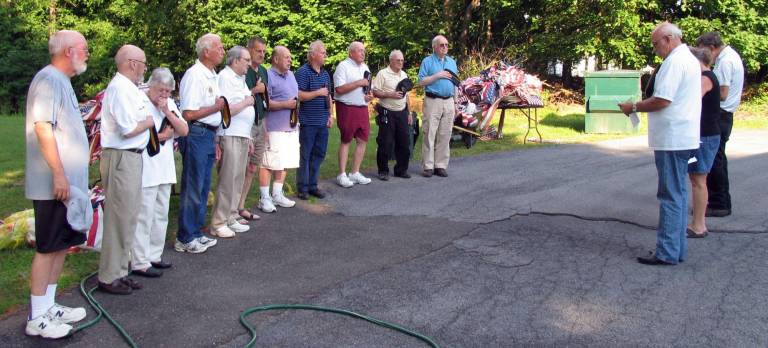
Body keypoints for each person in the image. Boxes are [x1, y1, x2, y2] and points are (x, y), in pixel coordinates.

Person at [24, 29, 89, 338]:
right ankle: (37, 317)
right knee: (49, 246)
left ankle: (49, 306)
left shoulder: (62, 81)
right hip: (54, 183)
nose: (87, 53)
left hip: (68, 186)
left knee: (63, 244)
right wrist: (59, 173)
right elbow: (43, 127)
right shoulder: (49, 80)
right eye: (84, 48)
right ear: (68, 51)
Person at [619, 22, 701, 266]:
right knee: (679, 193)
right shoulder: (688, 59)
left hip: (673, 138)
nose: (655, 49)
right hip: (681, 136)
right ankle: (677, 249)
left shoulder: (676, 61)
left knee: (670, 195)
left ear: (668, 38)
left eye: (656, 44)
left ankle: (666, 251)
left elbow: (662, 100)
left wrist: (633, 107)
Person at [97, 44, 155, 294]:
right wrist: (149, 122)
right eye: (143, 63)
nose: (144, 68)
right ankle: (109, 275)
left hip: (132, 157)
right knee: (118, 217)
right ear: (132, 63)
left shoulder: (129, 88)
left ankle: (121, 270)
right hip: (121, 158)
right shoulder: (119, 88)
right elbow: (127, 128)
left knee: (129, 216)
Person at [131, 68, 188, 277]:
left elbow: (183, 130)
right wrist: (162, 136)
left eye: (168, 92)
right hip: (146, 165)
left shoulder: (169, 105)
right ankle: (139, 260)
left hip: (165, 166)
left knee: (161, 213)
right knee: (144, 214)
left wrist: (166, 111)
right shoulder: (139, 100)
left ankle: (155, 254)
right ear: (151, 85)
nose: (164, 95)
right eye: (161, 91)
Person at [176, 33, 226, 253]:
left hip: (208, 134)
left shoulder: (211, 75)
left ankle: (196, 232)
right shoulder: (194, 75)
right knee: (193, 186)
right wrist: (215, 109)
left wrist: (215, 138)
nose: (223, 51)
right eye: (219, 47)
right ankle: (185, 237)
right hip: (196, 133)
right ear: (206, 51)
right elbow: (188, 113)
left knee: (204, 186)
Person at [696, 32, 745, 218]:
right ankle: (720, 201)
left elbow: (722, 93)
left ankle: (718, 203)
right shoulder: (731, 56)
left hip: (720, 114)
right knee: (718, 160)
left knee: (714, 161)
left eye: (703, 50)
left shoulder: (724, 61)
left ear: (711, 47)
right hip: (725, 115)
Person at [210, 46, 256, 238]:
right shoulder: (225, 78)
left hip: (242, 134)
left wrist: (250, 136)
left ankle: (231, 216)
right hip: (229, 134)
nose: (249, 63)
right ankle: (218, 222)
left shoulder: (241, 79)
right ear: (235, 60)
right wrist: (247, 102)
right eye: (246, 60)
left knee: (237, 178)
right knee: (227, 179)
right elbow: (226, 110)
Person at [257, 45, 300, 213]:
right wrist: (285, 104)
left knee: (285, 161)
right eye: (286, 57)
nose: (290, 60)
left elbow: (295, 97)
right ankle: (264, 197)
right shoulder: (268, 75)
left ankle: (277, 194)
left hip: (291, 126)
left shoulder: (291, 75)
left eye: (290, 57)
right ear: (275, 59)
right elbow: (265, 103)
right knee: (268, 162)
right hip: (273, 127)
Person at [686, 48, 721, 238]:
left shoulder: (705, 78)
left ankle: (698, 225)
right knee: (696, 178)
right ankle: (697, 223)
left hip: (705, 136)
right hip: (705, 135)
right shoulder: (709, 75)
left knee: (698, 180)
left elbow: (692, 99)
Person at [296, 40, 333, 200]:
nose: (325, 55)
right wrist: (318, 92)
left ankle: (313, 185)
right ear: (312, 55)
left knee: (319, 154)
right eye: (322, 52)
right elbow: (299, 95)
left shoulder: (325, 74)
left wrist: (331, 115)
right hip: (308, 122)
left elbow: (329, 96)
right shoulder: (303, 72)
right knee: (306, 154)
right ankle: (302, 187)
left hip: (322, 122)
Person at [237, 36, 269, 221]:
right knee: (240, 167)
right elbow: (236, 98)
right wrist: (254, 91)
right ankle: (232, 209)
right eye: (258, 51)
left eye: (264, 51)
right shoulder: (243, 72)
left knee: (252, 167)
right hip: (244, 126)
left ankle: (241, 206)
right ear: (249, 50)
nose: (262, 54)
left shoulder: (263, 71)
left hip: (260, 122)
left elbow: (266, 99)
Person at [333, 41, 373, 187]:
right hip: (347, 107)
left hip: (362, 108)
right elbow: (339, 89)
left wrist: (369, 96)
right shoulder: (343, 66)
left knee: (363, 140)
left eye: (363, 51)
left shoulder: (365, 67)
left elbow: (368, 88)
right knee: (346, 140)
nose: (363, 53)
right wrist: (359, 83)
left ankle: (355, 172)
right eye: (359, 50)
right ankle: (342, 174)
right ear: (351, 53)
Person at [417, 35, 458, 178]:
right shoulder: (427, 61)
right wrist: (437, 75)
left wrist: (456, 102)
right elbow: (421, 81)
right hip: (433, 100)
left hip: (449, 101)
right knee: (429, 133)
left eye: (447, 45)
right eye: (442, 45)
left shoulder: (452, 62)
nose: (445, 47)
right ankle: (428, 166)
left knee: (445, 134)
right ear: (434, 47)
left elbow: (455, 83)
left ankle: (440, 165)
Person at [372, 49, 413, 180]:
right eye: (398, 60)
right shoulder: (382, 74)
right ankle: (383, 171)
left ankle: (401, 170)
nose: (400, 62)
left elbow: (407, 96)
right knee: (385, 143)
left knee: (404, 142)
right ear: (391, 61)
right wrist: (390, 94)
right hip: (387, 112)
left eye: (402, 60)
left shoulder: (404, 75)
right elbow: (375, 92)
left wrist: (409, 112)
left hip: (402, 113)